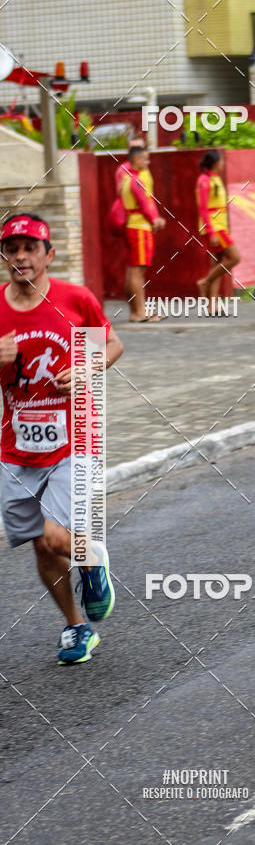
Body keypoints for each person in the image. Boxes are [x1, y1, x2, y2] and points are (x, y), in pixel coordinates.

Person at [0, 213, 124, 664]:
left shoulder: (75, 300)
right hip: (16, 448)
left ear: (48, 255)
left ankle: (92, 558)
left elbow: (112, 345)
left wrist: (89, 367)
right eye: (12, 249)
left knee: (56, 538)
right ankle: (77, 627)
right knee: (39, 544)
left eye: (30, 248)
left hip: (75, 438)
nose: (20, 256)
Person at [120, 145, 166, 322]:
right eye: (145, 159)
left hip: (134, 226)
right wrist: (156, 220)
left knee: (133, 270)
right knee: (138, 271)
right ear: (136, 160)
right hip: (139, 227)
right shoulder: (136, 180)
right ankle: (140, 313)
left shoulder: (126, 178)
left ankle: (136, 311)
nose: (148, 162)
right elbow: (145, 205)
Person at [195, 150, 240, 315]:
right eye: (221, 161)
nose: (223, 164)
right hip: (214, 227)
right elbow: (203, 209)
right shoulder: (204, 181)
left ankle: (211, 306)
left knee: (217, 263)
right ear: (215, 163)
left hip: (220, 225)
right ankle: (205, 282)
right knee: (235, 257)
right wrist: (211, 232)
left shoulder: (214, 178)